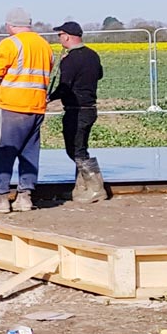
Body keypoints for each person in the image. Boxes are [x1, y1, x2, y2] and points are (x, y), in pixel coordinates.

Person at [0, 9, 52, 213]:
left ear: (10, 25)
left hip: (11, 106)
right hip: (37, 106)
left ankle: (0, 198)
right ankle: (25, 197)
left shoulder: (10, 44)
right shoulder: (43, 45)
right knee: (29, 153)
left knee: (1, 151)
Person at [49, 21, 107, 204]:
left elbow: (65, 87)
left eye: (60, 35)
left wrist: (49, 98)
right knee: (80, 147)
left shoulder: (70, 60)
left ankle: (96, 189)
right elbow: (99, 75)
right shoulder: (93, 55)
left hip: (76, 110)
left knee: (75, 149)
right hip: (90, 108)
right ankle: (81, 188)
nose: (59, 39)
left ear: (67, 36)